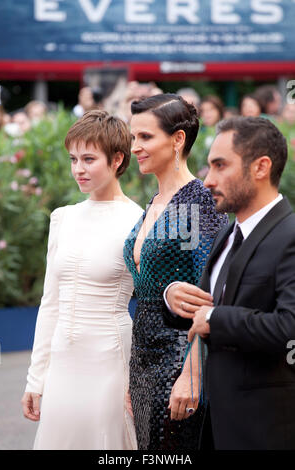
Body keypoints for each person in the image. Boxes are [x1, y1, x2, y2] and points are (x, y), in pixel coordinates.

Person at [165, 116, 295, 450]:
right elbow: (208, 311)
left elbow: (290, 327)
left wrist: (214, 318)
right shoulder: (227, 233)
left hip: (267, 429)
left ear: (261, 167)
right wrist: (176, 300)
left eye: (220, 166)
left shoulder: (290, 235)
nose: (207, 180)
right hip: (217, 423)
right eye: (209, 166)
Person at [21, 110, 143, 450]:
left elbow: (151, 304)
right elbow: (51, 302)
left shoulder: (138, 221)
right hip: (62, 362)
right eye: (74, 158)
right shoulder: (64, 218)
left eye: (89, 159)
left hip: (110, 362)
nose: (78, 169)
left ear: (117, 159)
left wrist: (139, 379)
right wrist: (36, 377)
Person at [123, 93, 228, 450]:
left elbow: (212, 296)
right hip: (142, 362)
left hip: (178, 362)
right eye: (133, 136)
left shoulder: (197, 202)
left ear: (178, 139)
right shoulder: (155, 202)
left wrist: (192, 374)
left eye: (146, 137)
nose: (135, 146)